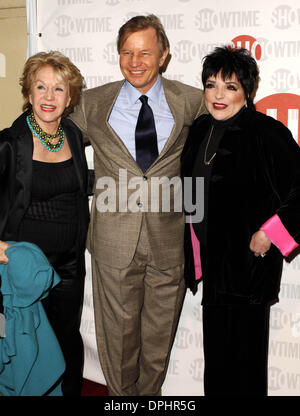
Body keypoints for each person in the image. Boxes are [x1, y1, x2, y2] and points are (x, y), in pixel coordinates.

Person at [69, 14, 206, 396]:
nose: (135, 61)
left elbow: (228, 142)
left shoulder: (192, 101)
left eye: (145, 52)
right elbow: (51, 139)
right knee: (118, 338)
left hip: (169, 241)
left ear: (163, 55)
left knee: (159, 340)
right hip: (114, 241)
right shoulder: (92, 103)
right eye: (127, 52)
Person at [181, 45, 300, 396]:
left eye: (230, 87)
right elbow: (191, 190)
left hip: (249, 268)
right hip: (215, 267)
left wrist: (270, 231)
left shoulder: (266, 131)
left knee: (245, 368)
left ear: (247, 91)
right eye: (211, 85)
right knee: (217, 364)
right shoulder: (200, 128)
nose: (218, 95)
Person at [0, 51, 91, 396]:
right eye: (41, 87)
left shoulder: (72, 134)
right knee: (27, 344)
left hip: (69, 263)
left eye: (58, 89)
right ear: (28, 93)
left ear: (70, 98)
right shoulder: (10, 143)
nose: (49, 97)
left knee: (67, 338)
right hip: (25, 266)